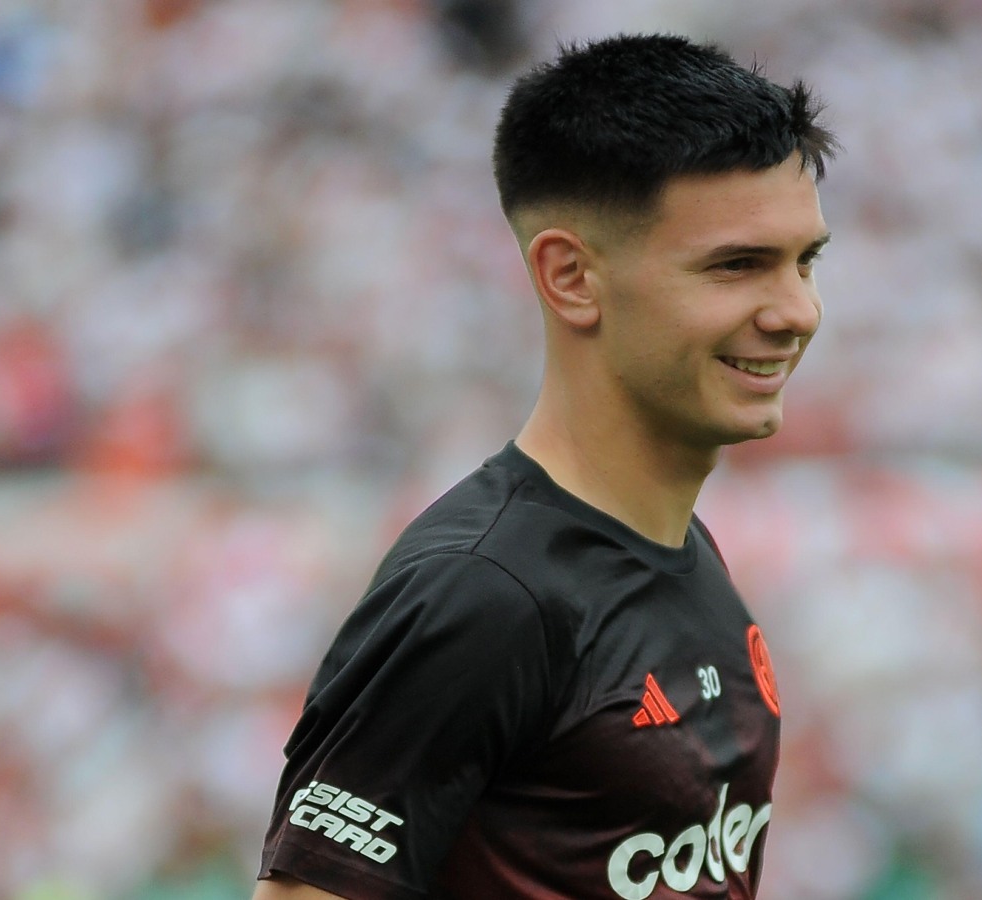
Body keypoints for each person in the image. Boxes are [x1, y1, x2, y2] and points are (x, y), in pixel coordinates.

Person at [251, 32, 837, 900]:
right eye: (737, 266)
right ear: (570, 278)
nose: (797, 312)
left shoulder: (683, 552)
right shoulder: (484, 595)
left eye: (805, 261)